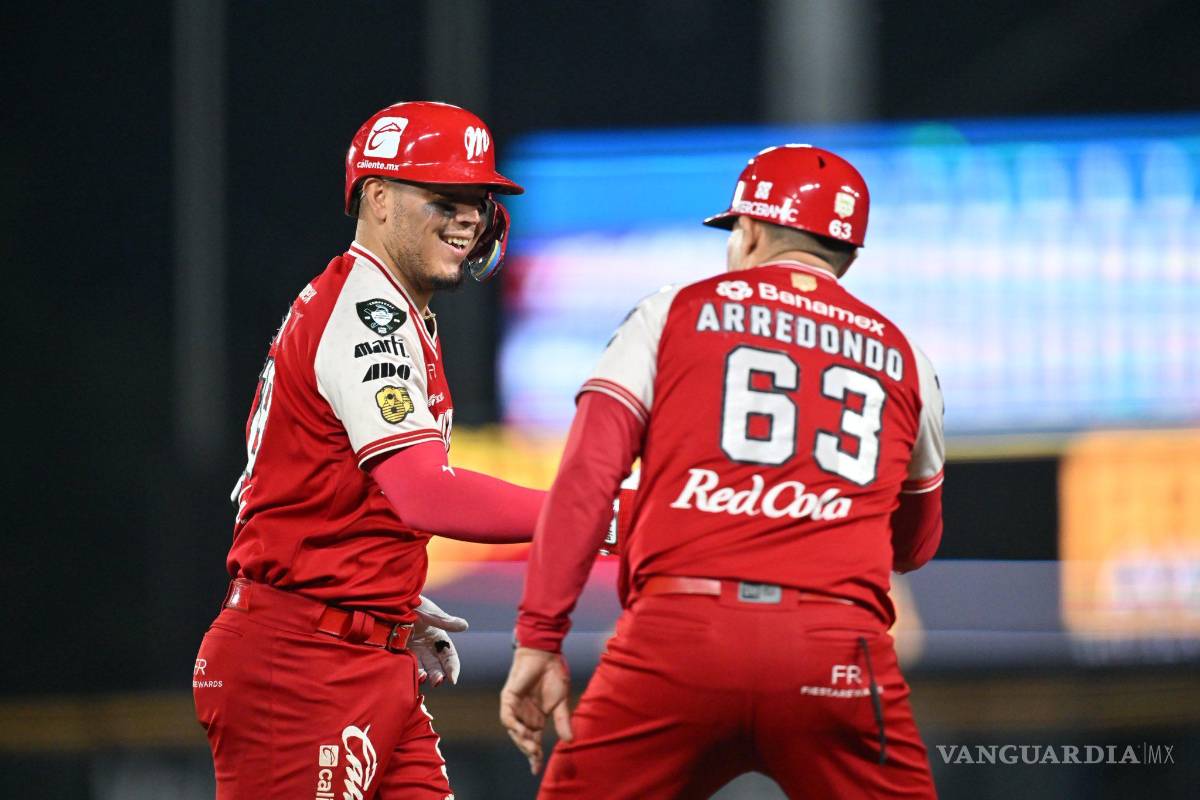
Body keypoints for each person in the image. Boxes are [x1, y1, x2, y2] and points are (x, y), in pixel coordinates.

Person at [501, 144, 945, 799]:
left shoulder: (671, 312)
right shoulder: (907, 357)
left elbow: (587, 481)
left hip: (680, 640)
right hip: (834, 656)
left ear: (753, 230)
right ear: (847, 255)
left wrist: (540, 637)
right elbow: (914, 545)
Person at [194, 101, 548, 800]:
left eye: (478, 201)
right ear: (379, 198)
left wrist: (382, 603)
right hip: (299, 666)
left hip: (359, 650)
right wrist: (592, 510)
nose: (470, 219)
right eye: (445, 197)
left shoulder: (389, 308)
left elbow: (322, 487)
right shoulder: (367, 316)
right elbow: (427, 493)